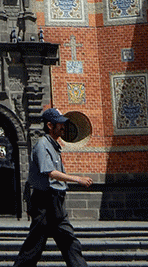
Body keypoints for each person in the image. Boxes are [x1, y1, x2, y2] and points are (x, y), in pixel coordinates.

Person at [12, 108, 92, 267]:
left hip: (56, 201)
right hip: (45, 202)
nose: (63, 127)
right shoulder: (43, 145)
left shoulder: (54, 146)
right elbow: (50, 172)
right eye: (60, 124)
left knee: (69, 241)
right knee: (34, 245)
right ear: (50, 125)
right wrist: (77, 179)